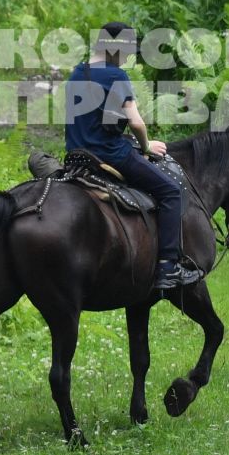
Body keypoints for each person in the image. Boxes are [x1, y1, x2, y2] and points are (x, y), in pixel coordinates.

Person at [63, 22, 199, 292]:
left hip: (77, 155)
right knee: (171, 191)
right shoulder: (116, 76)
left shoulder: (79, 72)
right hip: (109, 155)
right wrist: (146, 146)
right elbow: (136, 123)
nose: (129, 57)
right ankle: (168, 267)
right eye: (127, 51)